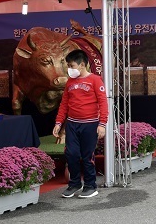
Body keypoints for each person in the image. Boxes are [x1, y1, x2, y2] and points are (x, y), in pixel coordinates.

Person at [53, 49, 108, 199]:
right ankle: (75, 183)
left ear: (82, 65)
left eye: (71, 66)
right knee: (71, 153)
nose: (69, 69)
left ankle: (91, 185)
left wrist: (102, 124)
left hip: (90, 124)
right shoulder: (70, 82)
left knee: (87, 155)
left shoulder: (95, 80)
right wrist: (59, 123)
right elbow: (64, 103)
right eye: (68, 66)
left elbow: (103, 103)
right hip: (72, 124)